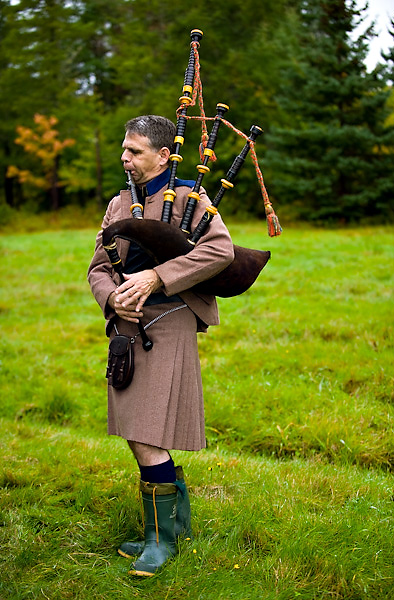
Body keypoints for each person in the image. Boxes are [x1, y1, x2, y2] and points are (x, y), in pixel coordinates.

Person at [87, 115, 234, 577]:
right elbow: (97, 267)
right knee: (138, 432)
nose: (125, 158)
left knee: (148, 433)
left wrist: (157, 276)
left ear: (164, 155)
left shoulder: (192, 198)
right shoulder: (117, 204)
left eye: (134, 151)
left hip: (169, 321)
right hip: (126, 327)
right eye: (124, 149)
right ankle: (175, 526)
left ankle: (160, 541)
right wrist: (113, 298)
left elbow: (220, 251)